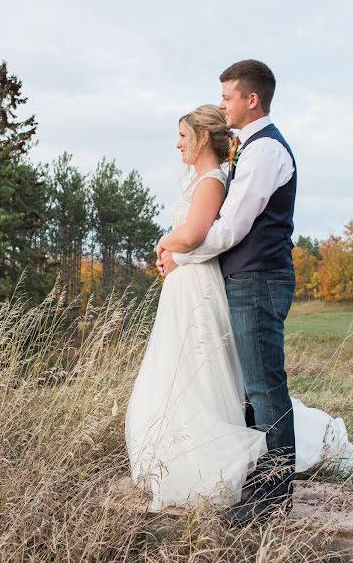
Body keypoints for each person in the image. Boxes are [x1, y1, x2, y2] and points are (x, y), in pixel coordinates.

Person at [157, 60, 297, 523]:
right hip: (247, 277)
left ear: (250, 99)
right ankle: (263, 478)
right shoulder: (250, 149)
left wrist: (183, 253)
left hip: (259, 277)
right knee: (250, 387)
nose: (223, 106)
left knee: (263, 384)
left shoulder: (265, 152)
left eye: (227, 98)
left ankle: (275, 495)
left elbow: (231, 227)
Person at [125, 104, 268, 512]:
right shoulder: (202, 180)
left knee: (196, 367)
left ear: (203, 138)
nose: (178, 144)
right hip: (183, 284)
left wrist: (164, 243)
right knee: (178, 364)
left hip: (196, 286)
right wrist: (173, 251)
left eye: (184, 136)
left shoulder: (211, 181)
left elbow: (193, 235)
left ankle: (204, 460)